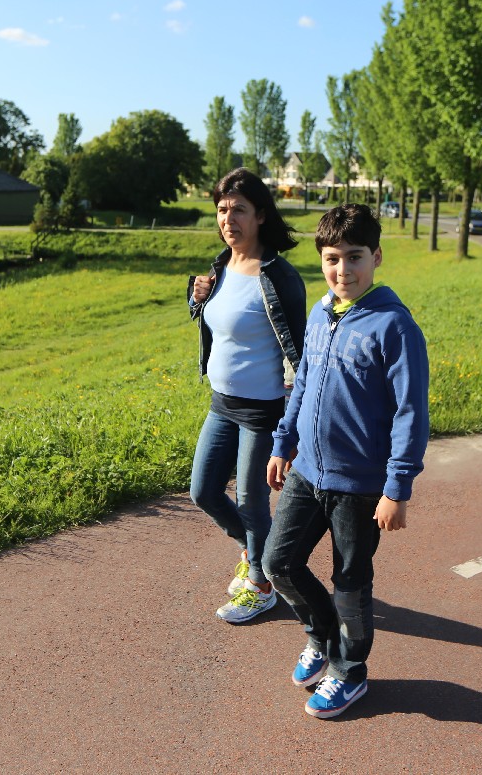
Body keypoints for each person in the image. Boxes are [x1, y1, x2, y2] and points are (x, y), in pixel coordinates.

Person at [265, 203, 430, 718]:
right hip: (307, 471)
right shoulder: (320, 313)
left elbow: (410, 412)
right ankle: (321, 637)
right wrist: (283, 442)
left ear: (376, 257)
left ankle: (350, 670)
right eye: (332, 259)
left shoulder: (395, 327)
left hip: (360, 485)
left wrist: (396, 489)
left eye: (354, 257)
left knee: (350, 583)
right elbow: (303, 382)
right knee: (277, 563)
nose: (343, 270)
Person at [187, 168, 306, 624]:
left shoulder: (279, 278)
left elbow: (301, 356)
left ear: (260, 216)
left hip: (262, 411)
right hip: (221, 405)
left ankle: (262, 583)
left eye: (239, 209)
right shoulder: (220, 267)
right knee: (203, 492)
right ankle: (258, 554)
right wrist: (197, 297)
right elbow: (220, 323)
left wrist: (291, 427)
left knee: (252, 501)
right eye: (221, 209)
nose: (228, 219)